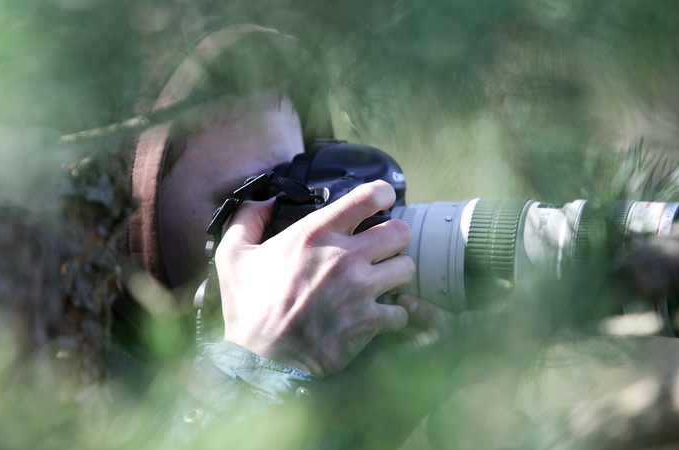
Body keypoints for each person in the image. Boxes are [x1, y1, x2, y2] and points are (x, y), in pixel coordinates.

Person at [126, 24, 457, 448]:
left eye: (300, 188)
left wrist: (388, 394)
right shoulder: (40, 373)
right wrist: (261, 358)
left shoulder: (329, 352)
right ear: (132, 217)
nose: (301, 234)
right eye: (253, 196)